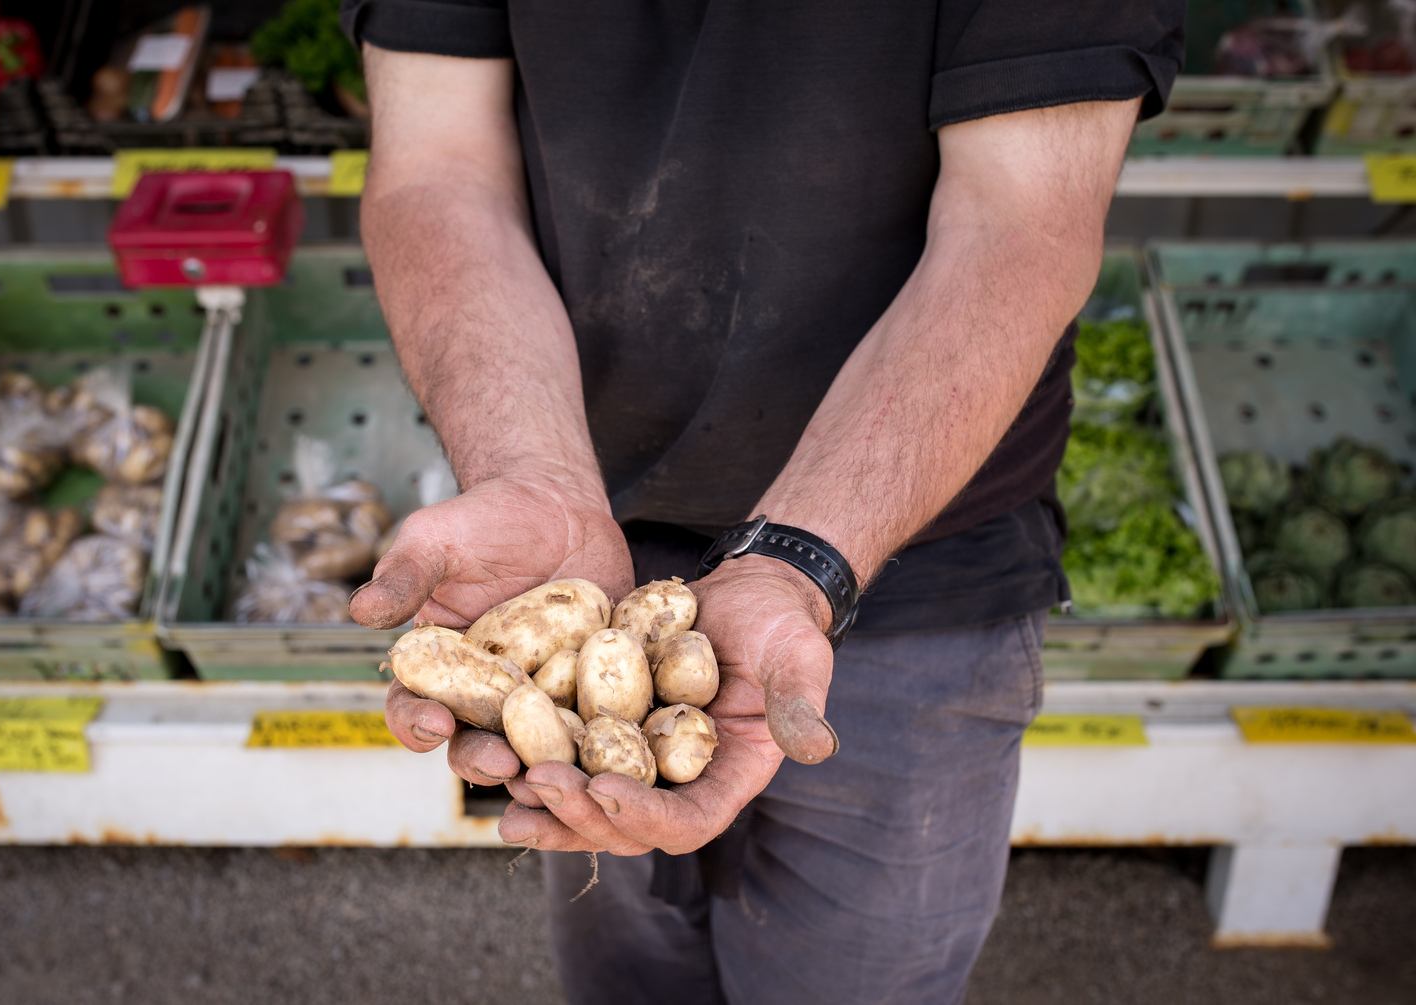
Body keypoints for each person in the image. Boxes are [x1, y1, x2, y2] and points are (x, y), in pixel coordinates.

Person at [343, 3, 1183, 1002]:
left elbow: (1019, 224)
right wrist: (535, 472)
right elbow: (437, 174)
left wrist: (800, 559)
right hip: (581, 551)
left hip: (915, 556)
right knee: (622, 937)